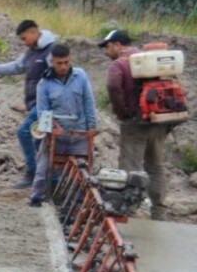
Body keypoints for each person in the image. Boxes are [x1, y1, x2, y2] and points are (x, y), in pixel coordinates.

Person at [100, 29, 169, 219]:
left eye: (107, 47)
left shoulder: (119, 64)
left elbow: (113, 86)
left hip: (134, 123)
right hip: (158, 120)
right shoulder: (151, 58)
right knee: (155, 167)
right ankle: (159, 212)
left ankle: (128, 212)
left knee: (130, 169)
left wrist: (121, 111)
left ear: (117, 45)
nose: (106, 51)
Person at [0, 20, 56, 188]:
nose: (23, 43)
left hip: (45, 106)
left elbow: (57, 77)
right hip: (34, 104)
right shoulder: (31, 53)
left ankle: (33, 172)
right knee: (40, 141)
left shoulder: (50, 51)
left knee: (24, 132)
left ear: (33, 32)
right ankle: (46, 178)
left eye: (24, 38)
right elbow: (16, 67)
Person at [29, 44, 98, 207]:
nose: (63, 67)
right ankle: (36, 197)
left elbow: (88, 102)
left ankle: (81, 203)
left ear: (70, 59)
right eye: (59, 63)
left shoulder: (80, 77)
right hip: (56, 135)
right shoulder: (44, 84)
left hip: (79, 133)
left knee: (84, 169)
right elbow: (43, 112)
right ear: (52, 62)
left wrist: (91, 126)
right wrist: (51, 127)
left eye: (66, 62)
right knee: (44, 165)